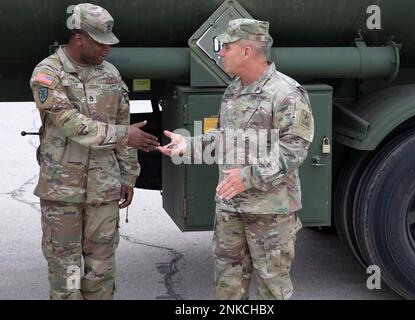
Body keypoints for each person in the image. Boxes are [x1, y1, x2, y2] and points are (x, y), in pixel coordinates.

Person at [159, 18, 314, 300]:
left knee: (272, 289)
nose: (220, 53)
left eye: (226, 47)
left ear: (246, 52)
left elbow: (293, 150)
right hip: (230, 207)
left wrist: (246, 177)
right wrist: (189, 145)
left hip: (270, 212)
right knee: (227, 286)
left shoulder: (287, 93)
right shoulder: (234, 89)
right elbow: (224, 136)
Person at [29, 3, 159, 300]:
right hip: (63, 193)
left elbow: (123, 121)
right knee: (67, 271)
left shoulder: (110, 74)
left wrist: (128, 176)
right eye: (100, 42)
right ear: (79, 37)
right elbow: (72, 125)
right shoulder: (48, 74)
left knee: (101, 270)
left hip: (104, 190)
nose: (107, 49)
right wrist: (126, 136)